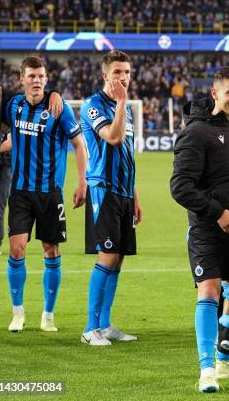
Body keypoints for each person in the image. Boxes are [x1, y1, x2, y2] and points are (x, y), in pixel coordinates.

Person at [171, 66, 229, 393]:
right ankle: (206, 369)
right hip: (207, 230)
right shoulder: (196, 133)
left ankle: (226, 352)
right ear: (215, 94)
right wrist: (217, 211)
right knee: (209, 290)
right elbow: (180, 187)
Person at [2, 57, 86, 333]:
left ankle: (48, 316)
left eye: (40, 76)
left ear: (46, 79)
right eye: (31, 76)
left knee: (51, 250)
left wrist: (82, 182)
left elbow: (78, 144)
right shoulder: (13, 106)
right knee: (17, 248)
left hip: (51, 193)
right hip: (21, 192)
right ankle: (18, 313)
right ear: (22, 79)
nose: (36, 80)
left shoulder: (59, 109)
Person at [80, 50, 142, 346]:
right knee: (106, 256)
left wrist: (136, 196)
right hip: (103, 189)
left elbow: (127, 153)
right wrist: (119, 102)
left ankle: (104, 324)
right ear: (105, 75)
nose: (123, 77)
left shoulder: (125, 108)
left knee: (117, 260)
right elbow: (113, 138)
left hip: (124, 192)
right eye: (117, 72)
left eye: (127, 72)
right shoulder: (93, 105)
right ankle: (90, 329)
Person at [0, 78, 63, 254]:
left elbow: (29, 99)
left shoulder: (7, 106)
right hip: (7, 173)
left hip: (2, 171)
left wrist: (53, 93)